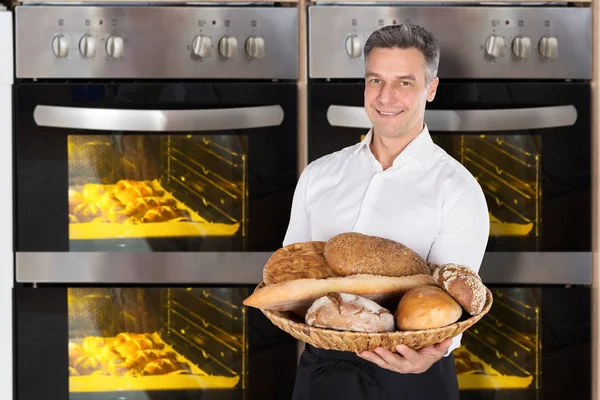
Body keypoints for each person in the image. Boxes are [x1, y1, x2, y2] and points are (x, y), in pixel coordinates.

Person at [282, 23, 490, 399]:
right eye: (375, 80)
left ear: (431, 88)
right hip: (323, 372)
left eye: (405, 83)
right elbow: (291, 280)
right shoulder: (319, 175)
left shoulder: (458, 190)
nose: (385, 96)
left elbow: (452, 304)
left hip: (411, 375)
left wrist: (435, 351)